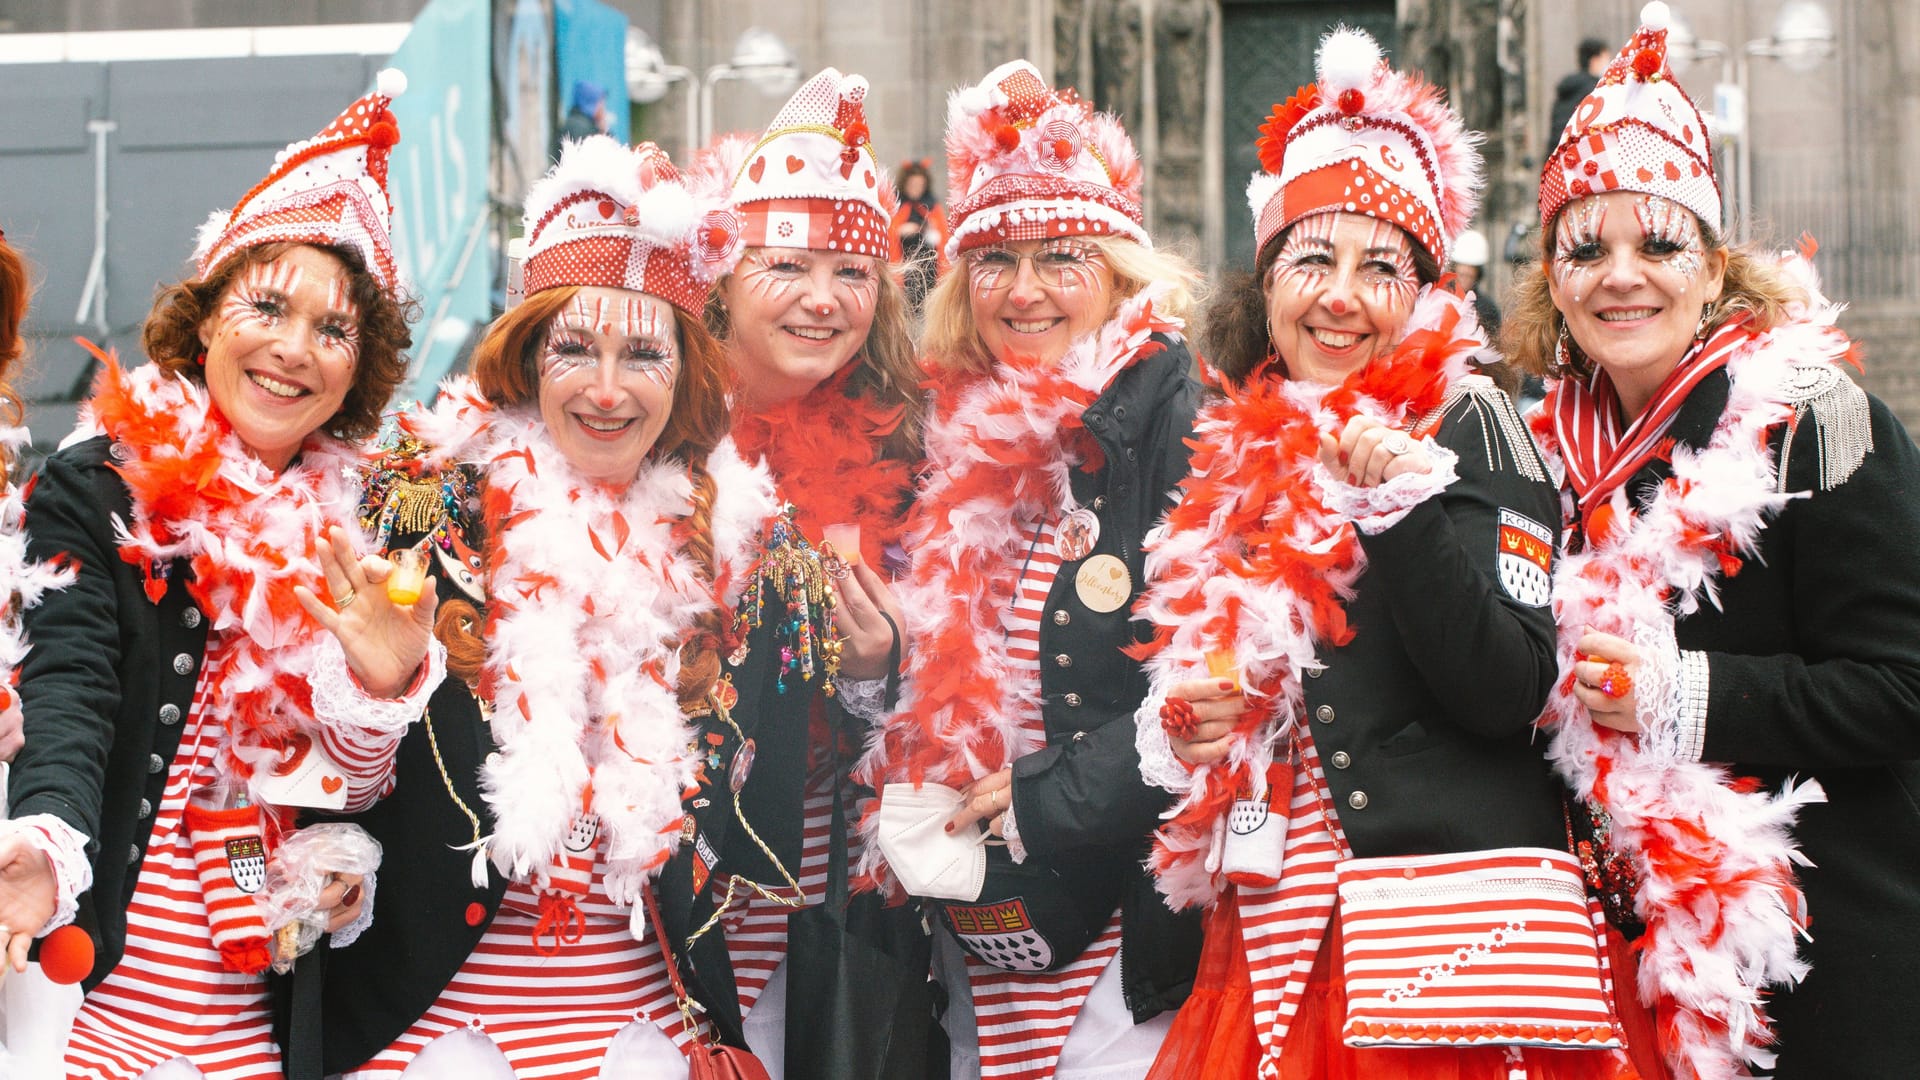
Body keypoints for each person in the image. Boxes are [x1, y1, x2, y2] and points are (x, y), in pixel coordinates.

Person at [1133, 29, 1632, 1079]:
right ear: (1266, 287)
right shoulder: (1236, 447)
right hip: (1272, 930)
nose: (1340, 296)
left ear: (1428, 292)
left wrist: (1401, 510)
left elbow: (1509, 688)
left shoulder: (1473, 424)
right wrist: (1193, 722)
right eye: (1312, 258)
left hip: (1432, 942)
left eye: (1379, 267)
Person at [316, 135, 834, 1080]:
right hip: (433, 1042)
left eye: (643, 353)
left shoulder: (750, 555)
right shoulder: (417, 516)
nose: (606, 390)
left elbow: (775, 849)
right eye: (574, 349)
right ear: (525, 357)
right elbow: (332, 797)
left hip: (651, 1044)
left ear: (685, 374)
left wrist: (728, 1030)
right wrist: (375, 687)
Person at [1506, 5, 1920, 1077]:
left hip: (1816, 972)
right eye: (1583, 246)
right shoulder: (1535, 456)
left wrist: (1686, 696)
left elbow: (1902, 689)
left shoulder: (1816, 426)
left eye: (1659, 241)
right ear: (1552, 278)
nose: (1620, 274)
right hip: (1614, 975)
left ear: (1713, 262)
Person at [0, 72, 440, 1080]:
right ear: (204, 322)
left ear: (356, 370)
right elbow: (68, 688)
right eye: (267, 306)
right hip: (93, 1016)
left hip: (264, 1028)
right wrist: (49, 844)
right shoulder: (99, 487)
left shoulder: (367, 534)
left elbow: (359, 792)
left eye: (334, 330)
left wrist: (377, 694)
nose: (293, 350)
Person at [853, 59, 1206, 1080]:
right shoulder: (944, 427)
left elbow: (1213, 690)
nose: (1026, 289)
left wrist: (1039, 797)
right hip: (982, 916)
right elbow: (932, 665)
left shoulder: (1172, 416)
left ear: (1119, 270)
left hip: (1125, 922)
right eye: (996, 260)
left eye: (1062, 257)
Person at [697, 67, 934, 1077]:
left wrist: (877, 668)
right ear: (720, 280)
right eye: (787, 267)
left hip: (812, 897)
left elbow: (923, 717)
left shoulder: (906, 447)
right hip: (658, 882)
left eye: (853, 272)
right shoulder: (647, 421)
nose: (823, 301)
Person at [890, 159, 949, 312]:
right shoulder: (897, 205)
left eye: (919, 185)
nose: (916, 189)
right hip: (904, 268)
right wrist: (900, 231)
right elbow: (888, 233)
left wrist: (929, 230)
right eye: (912, 185)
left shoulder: (932, 206)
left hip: (929, 269)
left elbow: (943, 237)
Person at [1546, 36, 1609, 162]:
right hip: (1581, 159)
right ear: (1595, 60)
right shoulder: (1595, 91)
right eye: (1606, 59)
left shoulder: (1567, 89)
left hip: (1557, 156)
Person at [1451, 227, 1501, 335]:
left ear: (1478, 273)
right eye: (1462, 266)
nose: (1465, 272)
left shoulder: (1488, 309)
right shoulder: (1440, 301)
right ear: (1455, 268)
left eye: (1471, 268)